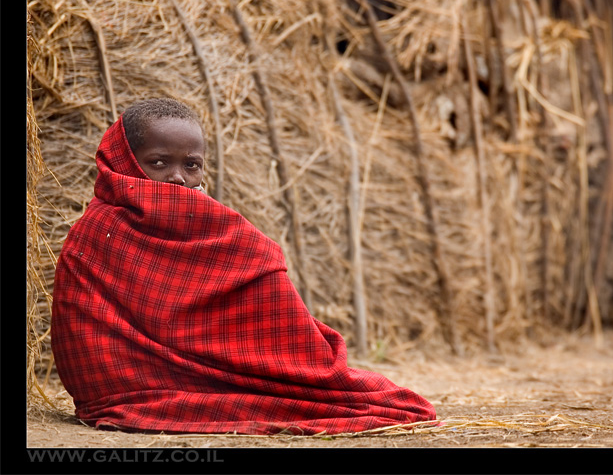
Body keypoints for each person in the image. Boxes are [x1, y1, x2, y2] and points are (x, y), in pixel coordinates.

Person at [50, 98, 437, 435]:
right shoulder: (96, 235)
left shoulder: (220, 230)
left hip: (215, 378)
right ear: (124, 161)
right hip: (119, 388)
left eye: (192, 165)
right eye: (158, 162)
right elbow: (84, 335)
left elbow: (265, 289)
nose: (178, 178)